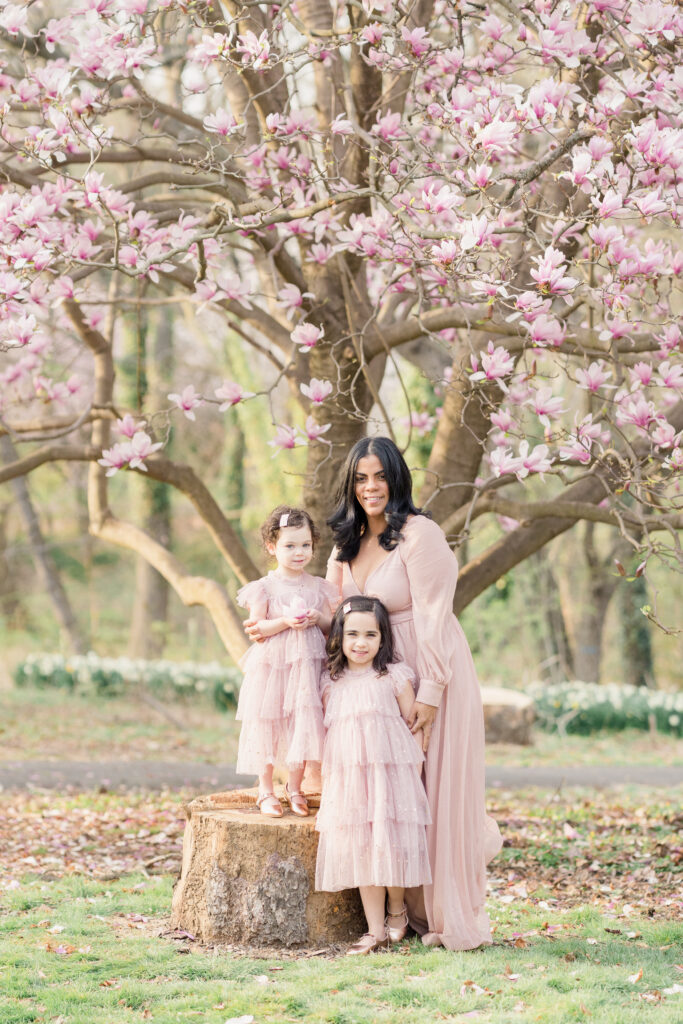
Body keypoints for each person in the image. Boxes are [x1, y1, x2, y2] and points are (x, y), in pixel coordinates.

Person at [326, 436, 502, 950]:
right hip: (370, 680)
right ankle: (399, 909)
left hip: (429, 669)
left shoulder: (420, 535)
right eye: (361, 478)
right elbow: (333, 617)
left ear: (396, 478)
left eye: (380, 476)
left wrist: (430, 692)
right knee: (391, 792)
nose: (370, 487)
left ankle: (441, 910)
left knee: (432, 787)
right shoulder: (345, 542)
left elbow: (434, 615)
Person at [315, 596, 432, 955]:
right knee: (361, 849)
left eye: (370, 634)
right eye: (352, 634)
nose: (360, 643)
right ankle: (374, 929)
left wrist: (416, 767)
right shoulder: (331, 683)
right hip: (351, 781)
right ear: (338, 637)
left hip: (389, 777)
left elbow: (415, 726)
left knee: (391, 845)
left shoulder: (393, 677)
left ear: (383, 639)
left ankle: (397, 909)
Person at [235, 505, 337, 818]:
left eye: (305, 545)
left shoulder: (318, 586)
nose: (299, 552)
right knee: (268, 723)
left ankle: (295, 787)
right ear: (272, 547)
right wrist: (284, 622)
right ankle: (266, 790)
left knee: (301, 724)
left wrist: (318, 617)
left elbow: (333, 626)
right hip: (273, 667)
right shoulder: (264, 588)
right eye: (290, 546)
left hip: (306, 666)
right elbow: (257, 630)